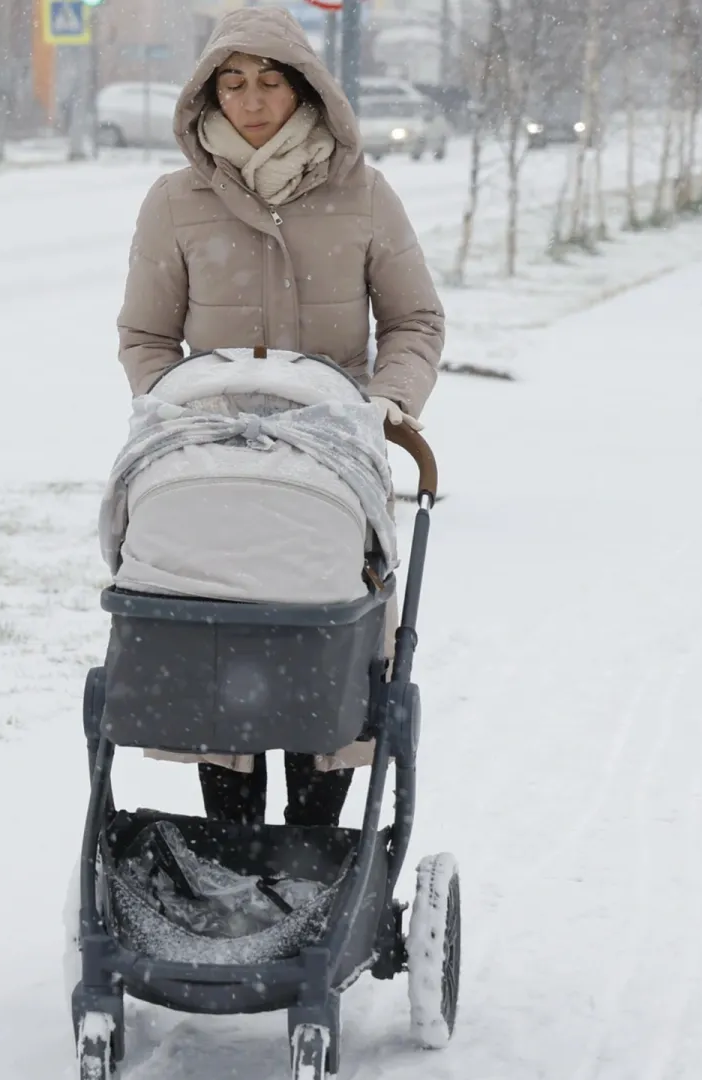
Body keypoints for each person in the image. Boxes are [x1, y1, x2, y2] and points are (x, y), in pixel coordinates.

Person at [115, 7, 444, 829]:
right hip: (211, 465)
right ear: (208, 95)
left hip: (333, 461)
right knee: (219, 669)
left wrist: (388, 404)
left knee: (325, 663)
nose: (251, 100)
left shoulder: (362, 194)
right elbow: (148, 336)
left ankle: (310, 847)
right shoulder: (176, 201)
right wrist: (176, 415)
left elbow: (415, 321)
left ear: (305, 90)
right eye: (232, 83)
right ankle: (231, 847)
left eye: (270, 81)